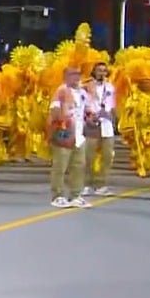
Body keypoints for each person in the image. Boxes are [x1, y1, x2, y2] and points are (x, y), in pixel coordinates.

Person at [48, 67, 93, 208]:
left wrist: (92, 116)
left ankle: (76, 195)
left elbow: (88, 109)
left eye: (78, 74)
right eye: (72, 75)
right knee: (60, 166)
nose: (76, 77)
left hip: (79, 134)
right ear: (66, 76)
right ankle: (57, 196)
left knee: (79, 166)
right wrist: (62, 122)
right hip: (64, 132)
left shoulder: (82, 92)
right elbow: (54, 109)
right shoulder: (61, 91)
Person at [82, 62, 116, 196]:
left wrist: (112, 116)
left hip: (106, 125)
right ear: (94, 72)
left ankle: (101, 185)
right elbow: (82, 104)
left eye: (104, 71)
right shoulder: (86, 87)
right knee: (89, 156)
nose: (102, 73)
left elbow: (112, 106)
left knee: (107, 156)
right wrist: (89, 114)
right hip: (91, 124)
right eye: (99, 71)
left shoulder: (110, 88)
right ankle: (86, 184)